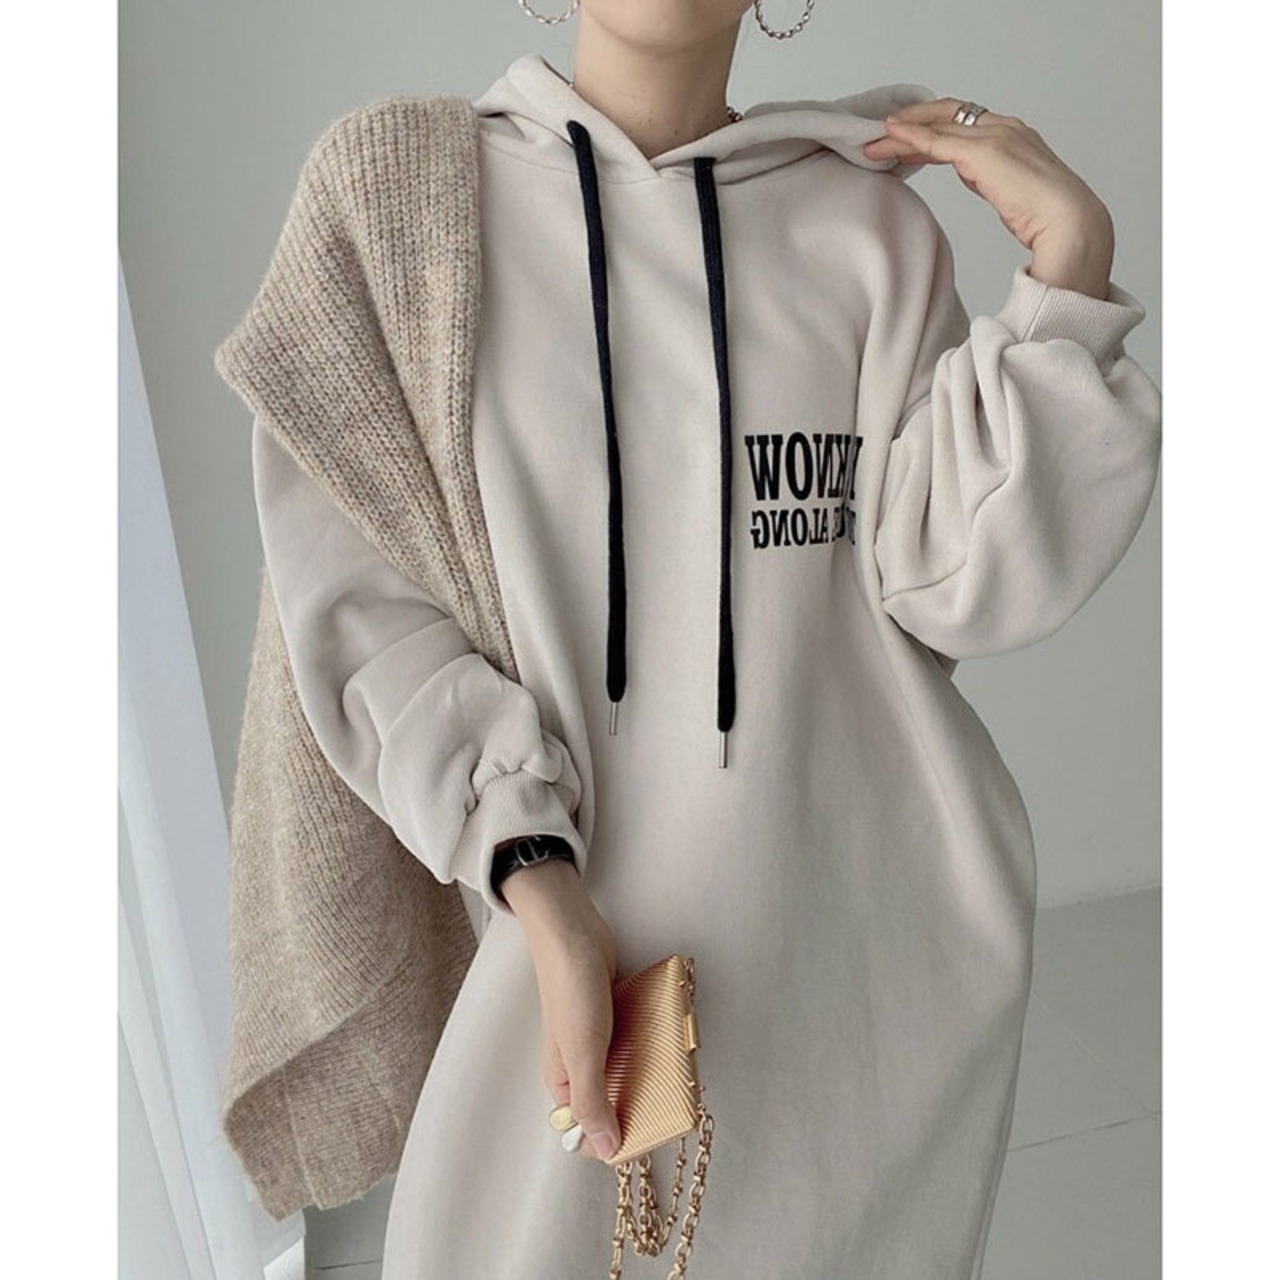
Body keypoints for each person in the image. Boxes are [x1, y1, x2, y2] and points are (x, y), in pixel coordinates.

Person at [241, 1, 1161, 1275]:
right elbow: (363, 605)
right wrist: (537, 880)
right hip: (563, 963)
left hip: (868, 984)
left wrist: (1068, 272)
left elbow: (958, 581)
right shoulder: (405, 205)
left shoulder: (867, 230)